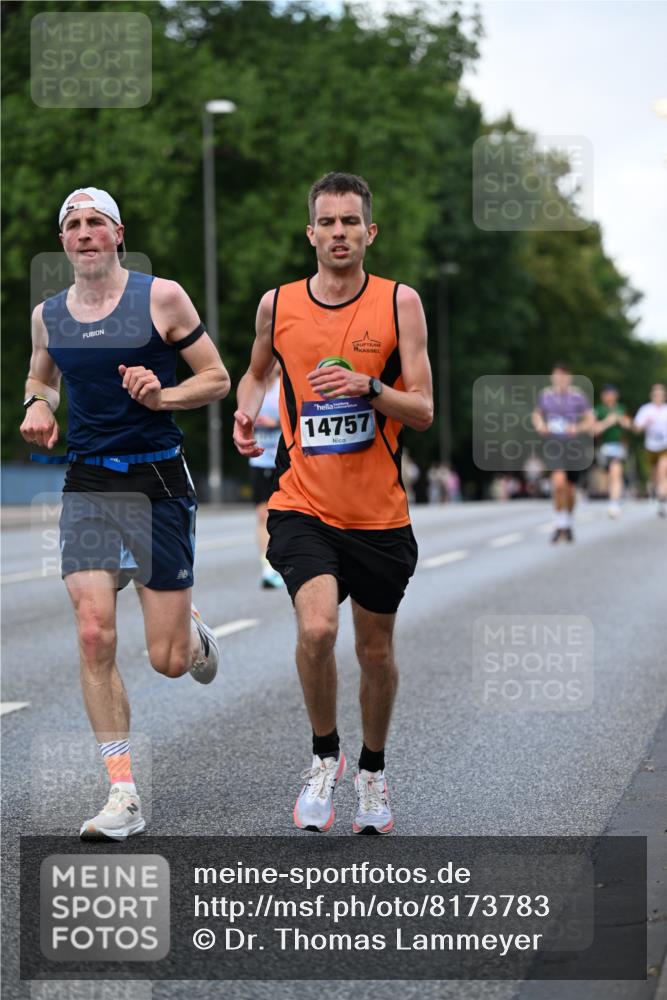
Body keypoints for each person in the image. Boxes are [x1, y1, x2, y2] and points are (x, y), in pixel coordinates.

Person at [20, 187, 230, 840]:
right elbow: (41, 374)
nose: (84, 233)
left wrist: (163, 393)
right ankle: (122, 795)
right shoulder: (48, 313)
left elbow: (217, 377)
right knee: (92, 632)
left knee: (166, 659)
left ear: (117, 234)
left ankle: (190, 633)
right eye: (73, 224)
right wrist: (38, 405)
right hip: (87, 482)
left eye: (95, 223)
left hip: (158, 480)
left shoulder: (160, 297)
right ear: (64, 242)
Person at [233, 172, 433, 834]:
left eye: (352, 222)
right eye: (328, 222)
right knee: (316, 630)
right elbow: (259, 369)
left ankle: (372, 773)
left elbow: (425, 410)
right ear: (310, 232)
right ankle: (326, 757)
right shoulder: (277, 304)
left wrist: (366, 385)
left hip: (378, 513)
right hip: (302, 503)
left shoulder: (400, 302)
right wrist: (243, 406)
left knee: (374, 654)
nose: (339, 232)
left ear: (368, 233)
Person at [531, 363, 594, 543]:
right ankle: (560, 524)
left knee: (570, 489)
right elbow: (536, 414)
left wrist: (578, 427)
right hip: (553, 443)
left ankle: (568, 522)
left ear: (569, 378)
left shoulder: (578, 396)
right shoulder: (545, 395)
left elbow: (590, 419)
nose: (560, 380)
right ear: (552, 377)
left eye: (564, 376)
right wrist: (540, 425)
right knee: (558, 484)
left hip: (573, 445)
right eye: (557, 376)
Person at [248, 360, 284, 588]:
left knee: (283, 515)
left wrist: (276, 421)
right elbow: (243, 417)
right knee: (263, 515)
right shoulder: (254, 387)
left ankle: (286, 562)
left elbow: (299, 413)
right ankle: (267, 566)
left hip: (282, 460)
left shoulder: (283, 387)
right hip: (260, 460)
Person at [593, 384, 631, 518]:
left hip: (618, 446)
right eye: (606, 394)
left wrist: (619, 419)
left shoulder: (621, 408)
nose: (609, 397)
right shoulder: (598, 410)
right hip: (603, 447)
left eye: (611, 394)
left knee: (616, 473)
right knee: (607, 477)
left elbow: (629, 425)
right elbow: (594, 430)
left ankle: (614, 503)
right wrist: (608, 422)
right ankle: (612, 499)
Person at [634, 383, 667, 518]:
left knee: (662, 472)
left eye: (661, 395)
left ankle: (662, 501)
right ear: (652, 396)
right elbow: (636, 428)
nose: (658, 397)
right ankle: (658, 493)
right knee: (654, 476)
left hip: (664, 446)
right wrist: (644, 424)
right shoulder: (646, 410)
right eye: (656, 395)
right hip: (650, 447)